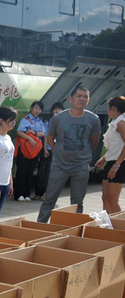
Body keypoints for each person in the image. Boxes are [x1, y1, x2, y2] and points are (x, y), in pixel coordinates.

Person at [37, 85, 101, 222]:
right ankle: (40, 225)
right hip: (59, 165)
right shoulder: (58, 118)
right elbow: (50, 138)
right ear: (71, 98)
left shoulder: (93, 119)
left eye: (85, 97)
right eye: (79, 96)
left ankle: (73, 230)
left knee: (77, 202)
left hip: (81, 166)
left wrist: (83, 154)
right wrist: (58, 151)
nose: (82, 99)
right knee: (49, 199)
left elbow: (94, 142)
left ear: (88, 100)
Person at [94, 96, 125, 214]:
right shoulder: (115, 122)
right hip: (111, 161)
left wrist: (117, 165)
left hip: (119, 163)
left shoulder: (121, 122)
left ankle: (120, 228)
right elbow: (115, 146)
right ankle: (108, 227)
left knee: (113, 200)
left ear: (113, 108)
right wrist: (104, 158)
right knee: (105, 198)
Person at [14, 100, 46, 201]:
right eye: (36, 108)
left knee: (30, 172)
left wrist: (34, 134)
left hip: (35, 150)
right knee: (21, 172)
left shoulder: (40, 121)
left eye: (39, 109)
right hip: (24, 150)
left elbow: (43, 133)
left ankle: (27, 194)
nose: (37, 110)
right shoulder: (26, 119)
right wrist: (30, 138)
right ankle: (19, 194)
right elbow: (19, 132)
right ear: (31, 108)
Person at [36, 102, 63, 198]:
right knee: (44, 172)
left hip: (59, 151)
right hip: (48, 149)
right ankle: (40, 193)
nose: (57, 111)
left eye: (59, 109)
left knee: (55, 174)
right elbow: (46, 136)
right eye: (55, 109)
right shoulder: (48, 122)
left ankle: (50, 194)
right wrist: (45, 149)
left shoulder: (65, 123)